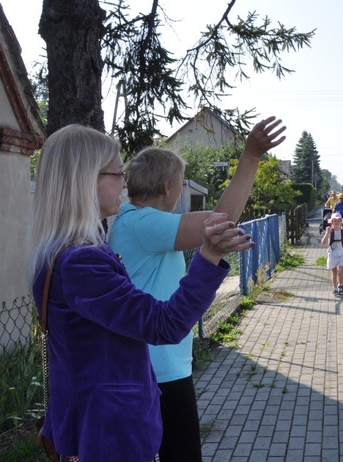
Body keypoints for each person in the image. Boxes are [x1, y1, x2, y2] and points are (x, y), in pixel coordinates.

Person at [28, 125, 255, 461]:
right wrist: (208, 257)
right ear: (86, 179)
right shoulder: (81, 262)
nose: (124, 182)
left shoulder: (65, 252)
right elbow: (164, 325)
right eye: (118, 173)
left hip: (101, 425)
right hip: (110, 433)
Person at [107, 118, 285, 461]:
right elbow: (222, 220)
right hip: (159, 368)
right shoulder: (144, 222)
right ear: (169, 185)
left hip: (156, 362)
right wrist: (249, 157)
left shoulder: (136, 222)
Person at [321, 212, 343, 296]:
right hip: (332, 253)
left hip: (340, 253)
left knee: (342, 269)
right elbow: (323, 242)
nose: (336, 222)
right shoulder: (330, 231)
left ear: (341, 222)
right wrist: (327, 233)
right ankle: (335, 288)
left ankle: (340, 285)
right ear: (331, 222)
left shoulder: (342, 232)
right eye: (334, 221)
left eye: (338, 221)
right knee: (334, 272)